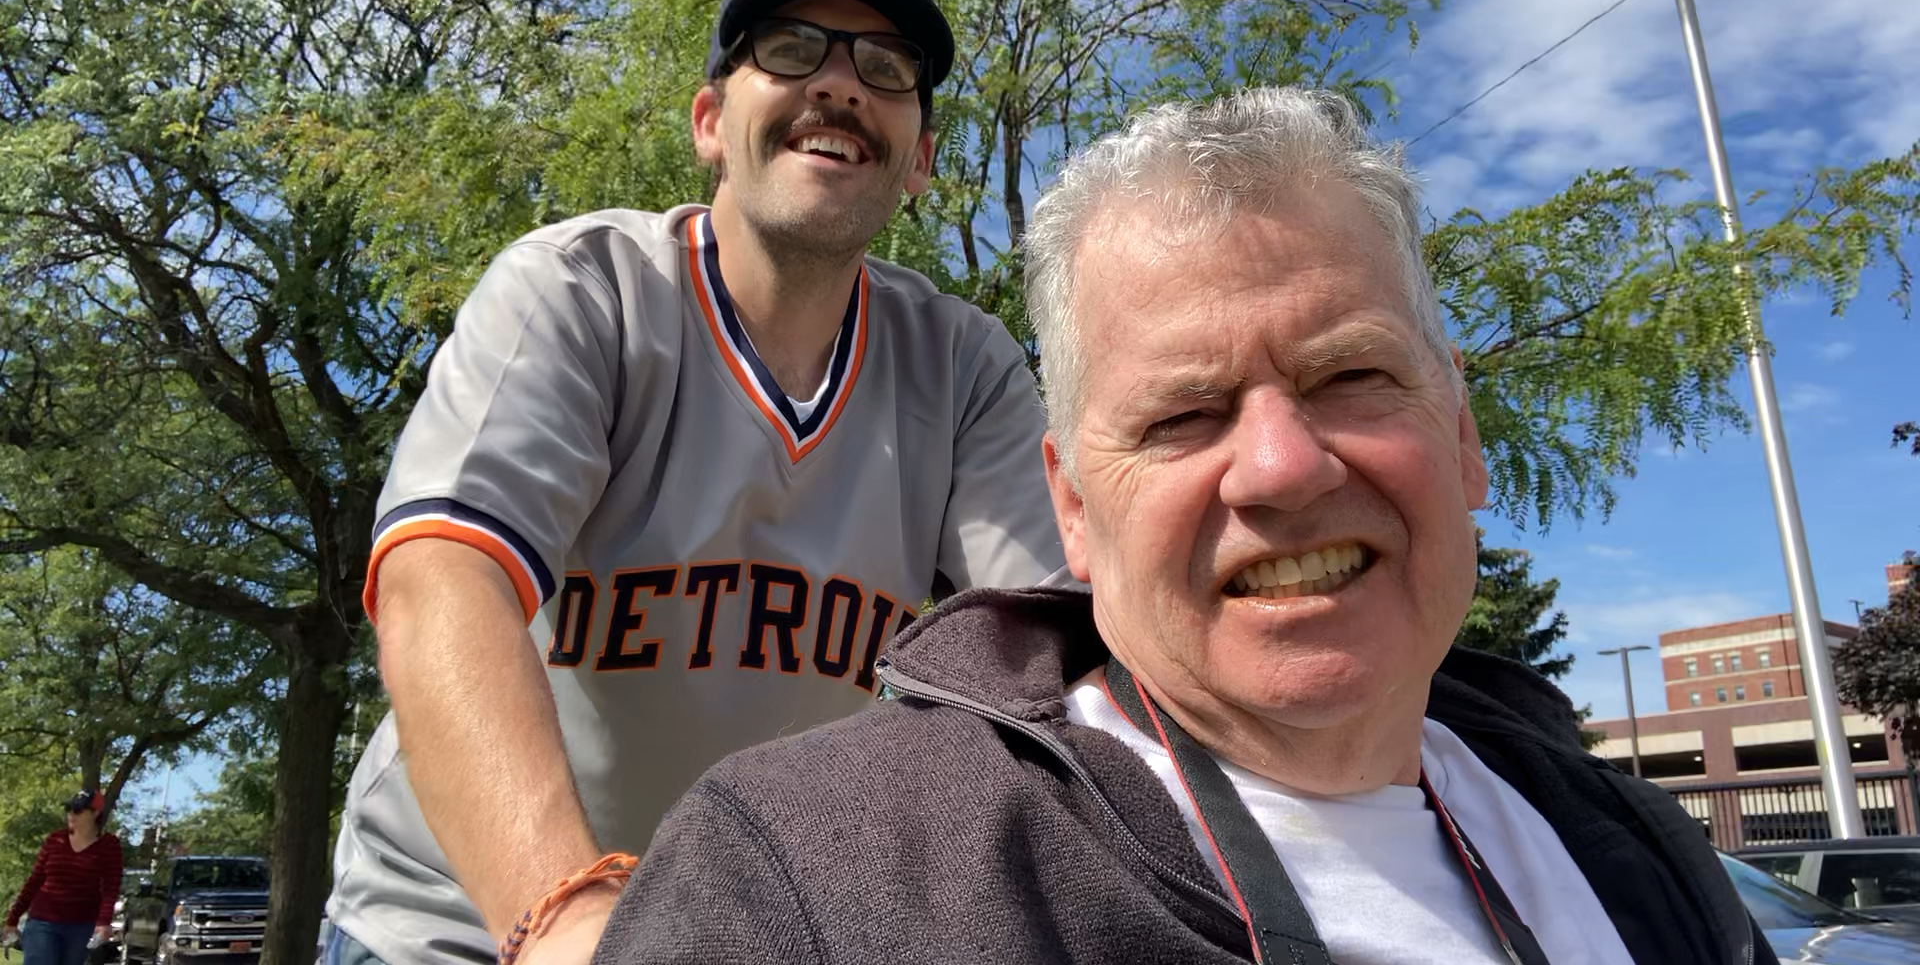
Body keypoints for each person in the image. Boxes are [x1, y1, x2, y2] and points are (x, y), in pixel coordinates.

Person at [594, 87, 1777, 965]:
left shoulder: (1636, 845)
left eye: (1352, 376)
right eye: (1182, 415)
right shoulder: (809, 881)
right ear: (1073, 507)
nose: (1282, 468)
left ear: (1461, 434)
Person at [323, 0, 1066, 965]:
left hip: (760, 938)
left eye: (887, 68)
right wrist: (567, 920)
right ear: (710, 123)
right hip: (466, 921)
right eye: (791, 49)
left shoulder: (966, 367)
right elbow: (439, 580)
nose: (839, 85)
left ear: (921, 162)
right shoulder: (582, 290)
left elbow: (1054, 668)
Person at [4, 790, 123, 965]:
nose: (71, 814)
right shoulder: (55, 840)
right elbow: (34, 880)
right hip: (43, 921)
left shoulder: (109, 845)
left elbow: (111, 887)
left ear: (96, 813)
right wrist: (13, 919)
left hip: (81, 925)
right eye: (69, 809)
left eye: (78, 810)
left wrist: (104, 921)